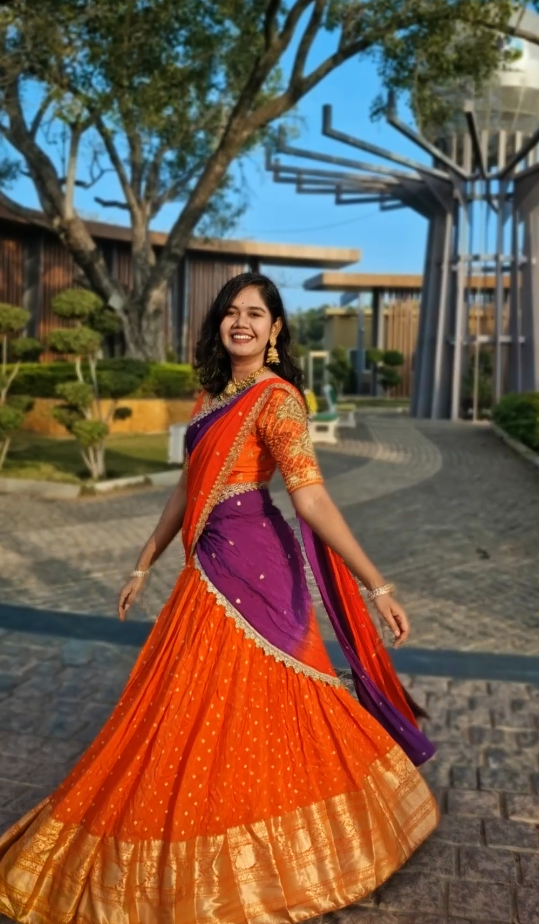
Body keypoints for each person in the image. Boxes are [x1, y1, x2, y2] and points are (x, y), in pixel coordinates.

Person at [0, 273, 438, 924]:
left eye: (256, 314)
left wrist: (378, 586)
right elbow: (185, 489)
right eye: (232, 312)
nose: (242, 323)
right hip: (206, 565)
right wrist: (144, 562)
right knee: (189, 703)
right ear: (221, 324)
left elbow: (310, 498)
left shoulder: (278, 399)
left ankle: (301, 848)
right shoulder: (209, 396)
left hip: (259, 570)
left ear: (275, 329)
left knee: (274, 699)